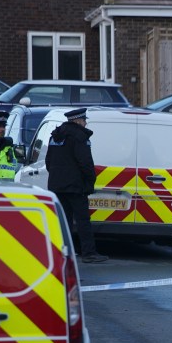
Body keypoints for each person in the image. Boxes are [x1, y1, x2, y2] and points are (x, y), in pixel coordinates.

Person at [46, 108, 108, 264]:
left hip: (57, 185)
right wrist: (89, 182)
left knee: (63, 220)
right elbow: (86, 163)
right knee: (82, 220)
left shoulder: (55, 136)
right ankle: (88, 253)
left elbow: (48, 161)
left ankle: (62, 251)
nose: (85, 123)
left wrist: (57, 177)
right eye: (84, 120)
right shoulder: (80, 136)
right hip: (75, 186)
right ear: (78, 121)